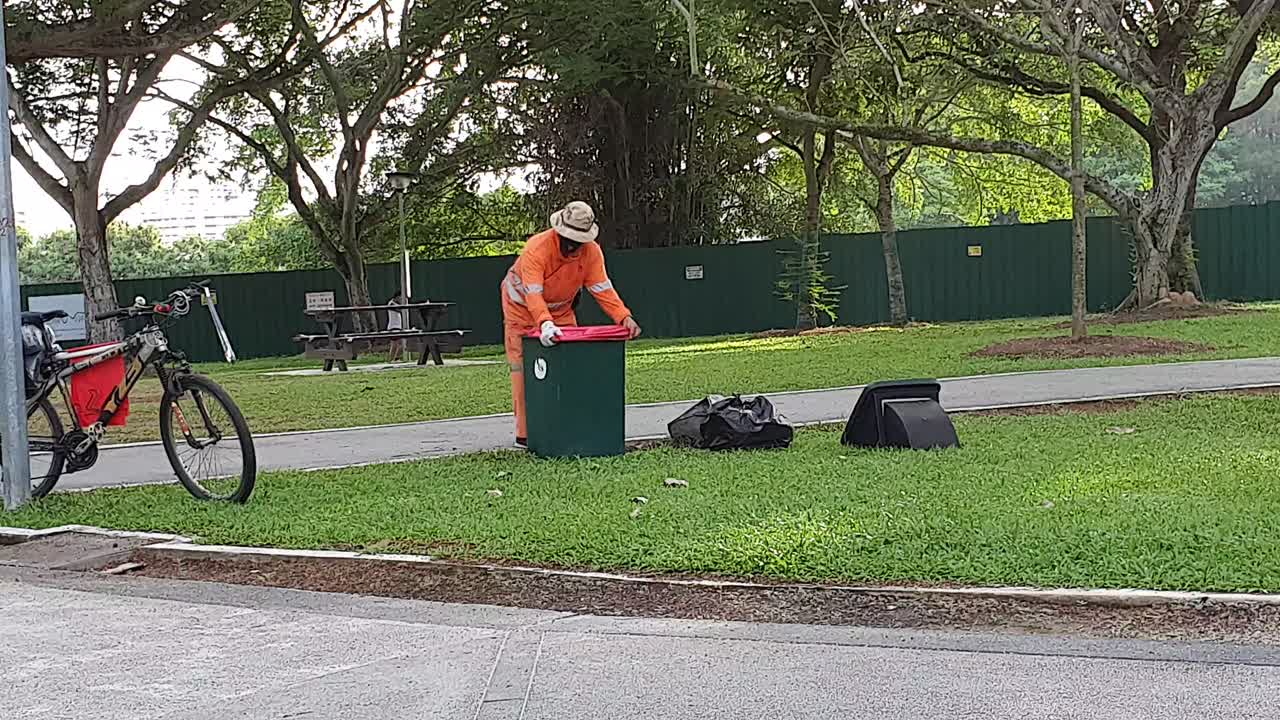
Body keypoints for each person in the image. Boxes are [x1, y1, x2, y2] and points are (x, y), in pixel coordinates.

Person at [501, 200, 642, 447]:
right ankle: (525, 434)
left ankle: (568, 421)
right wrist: (544, 323)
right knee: (523, 369)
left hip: (562, 311)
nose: (572, 245)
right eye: (568, 238)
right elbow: (533, 293)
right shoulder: (537, 249)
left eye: (578, 240)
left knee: (570, 364)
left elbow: (602, 288)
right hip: (520, 311)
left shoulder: (592, 252)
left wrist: (623, 316)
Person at [385, 293, 406, 362]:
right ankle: (393, 359)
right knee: (397, 345)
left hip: (398, 327)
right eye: (400, 298)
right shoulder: (391, 304)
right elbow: (400, 310)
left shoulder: (396, 304)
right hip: (393, 327)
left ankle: (394, 359)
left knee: (397, 345)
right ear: (396, 297)